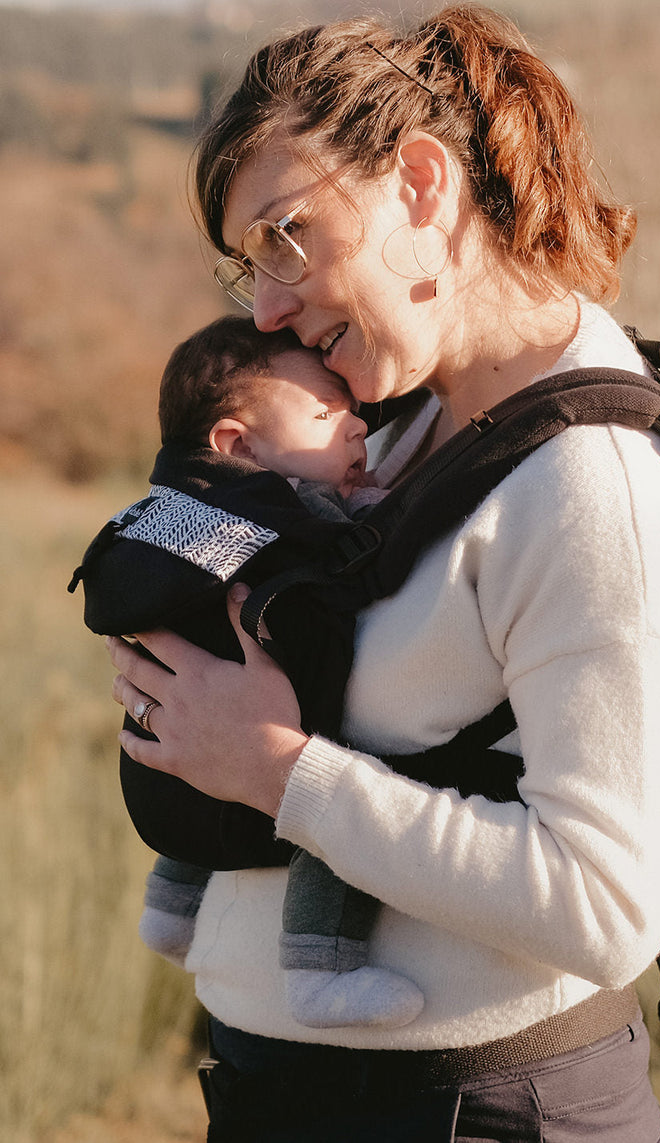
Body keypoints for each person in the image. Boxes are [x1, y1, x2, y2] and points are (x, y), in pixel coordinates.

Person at [106, 4, 660, 1142]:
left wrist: (275, 770)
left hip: (482, 1114)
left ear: (419, 185)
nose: (263, 306)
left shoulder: (591, 483)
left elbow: (605, 905)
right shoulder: (399, 431)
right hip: (288, 1099)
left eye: (288, 235)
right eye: (246, 263)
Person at [74, 313, 429, 1029]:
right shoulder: (276, 517)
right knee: (336, 787)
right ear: (238, 444)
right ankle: (320, 968)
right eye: (327, 412)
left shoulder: (167, 517)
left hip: (161, 773)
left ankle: (172, 909)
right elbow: (348, 560)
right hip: (252, 779)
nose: (357, 427)